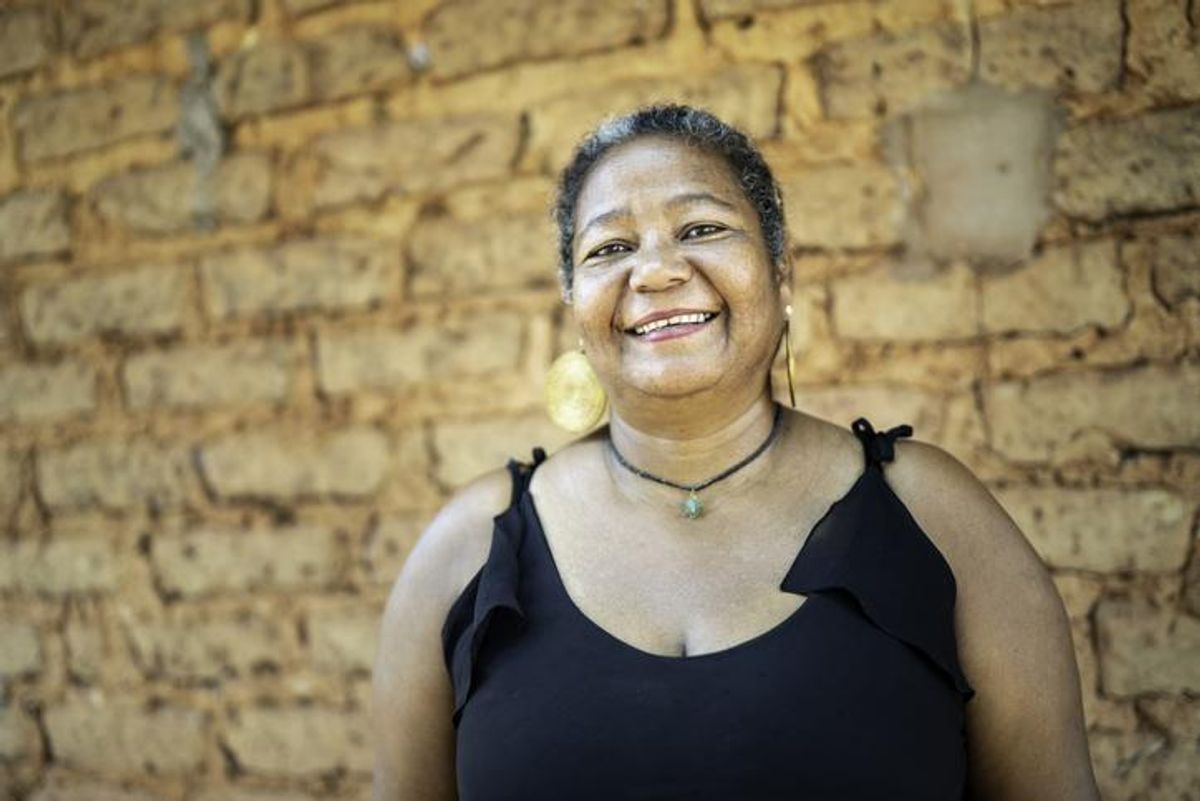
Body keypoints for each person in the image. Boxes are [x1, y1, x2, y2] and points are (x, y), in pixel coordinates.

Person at [372, 104, 1100, 800]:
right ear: (574, 302)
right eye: (611, 247)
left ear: (782, 272)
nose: (655, 271)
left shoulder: (939, 519)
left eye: (701, 227)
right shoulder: (464, 553)